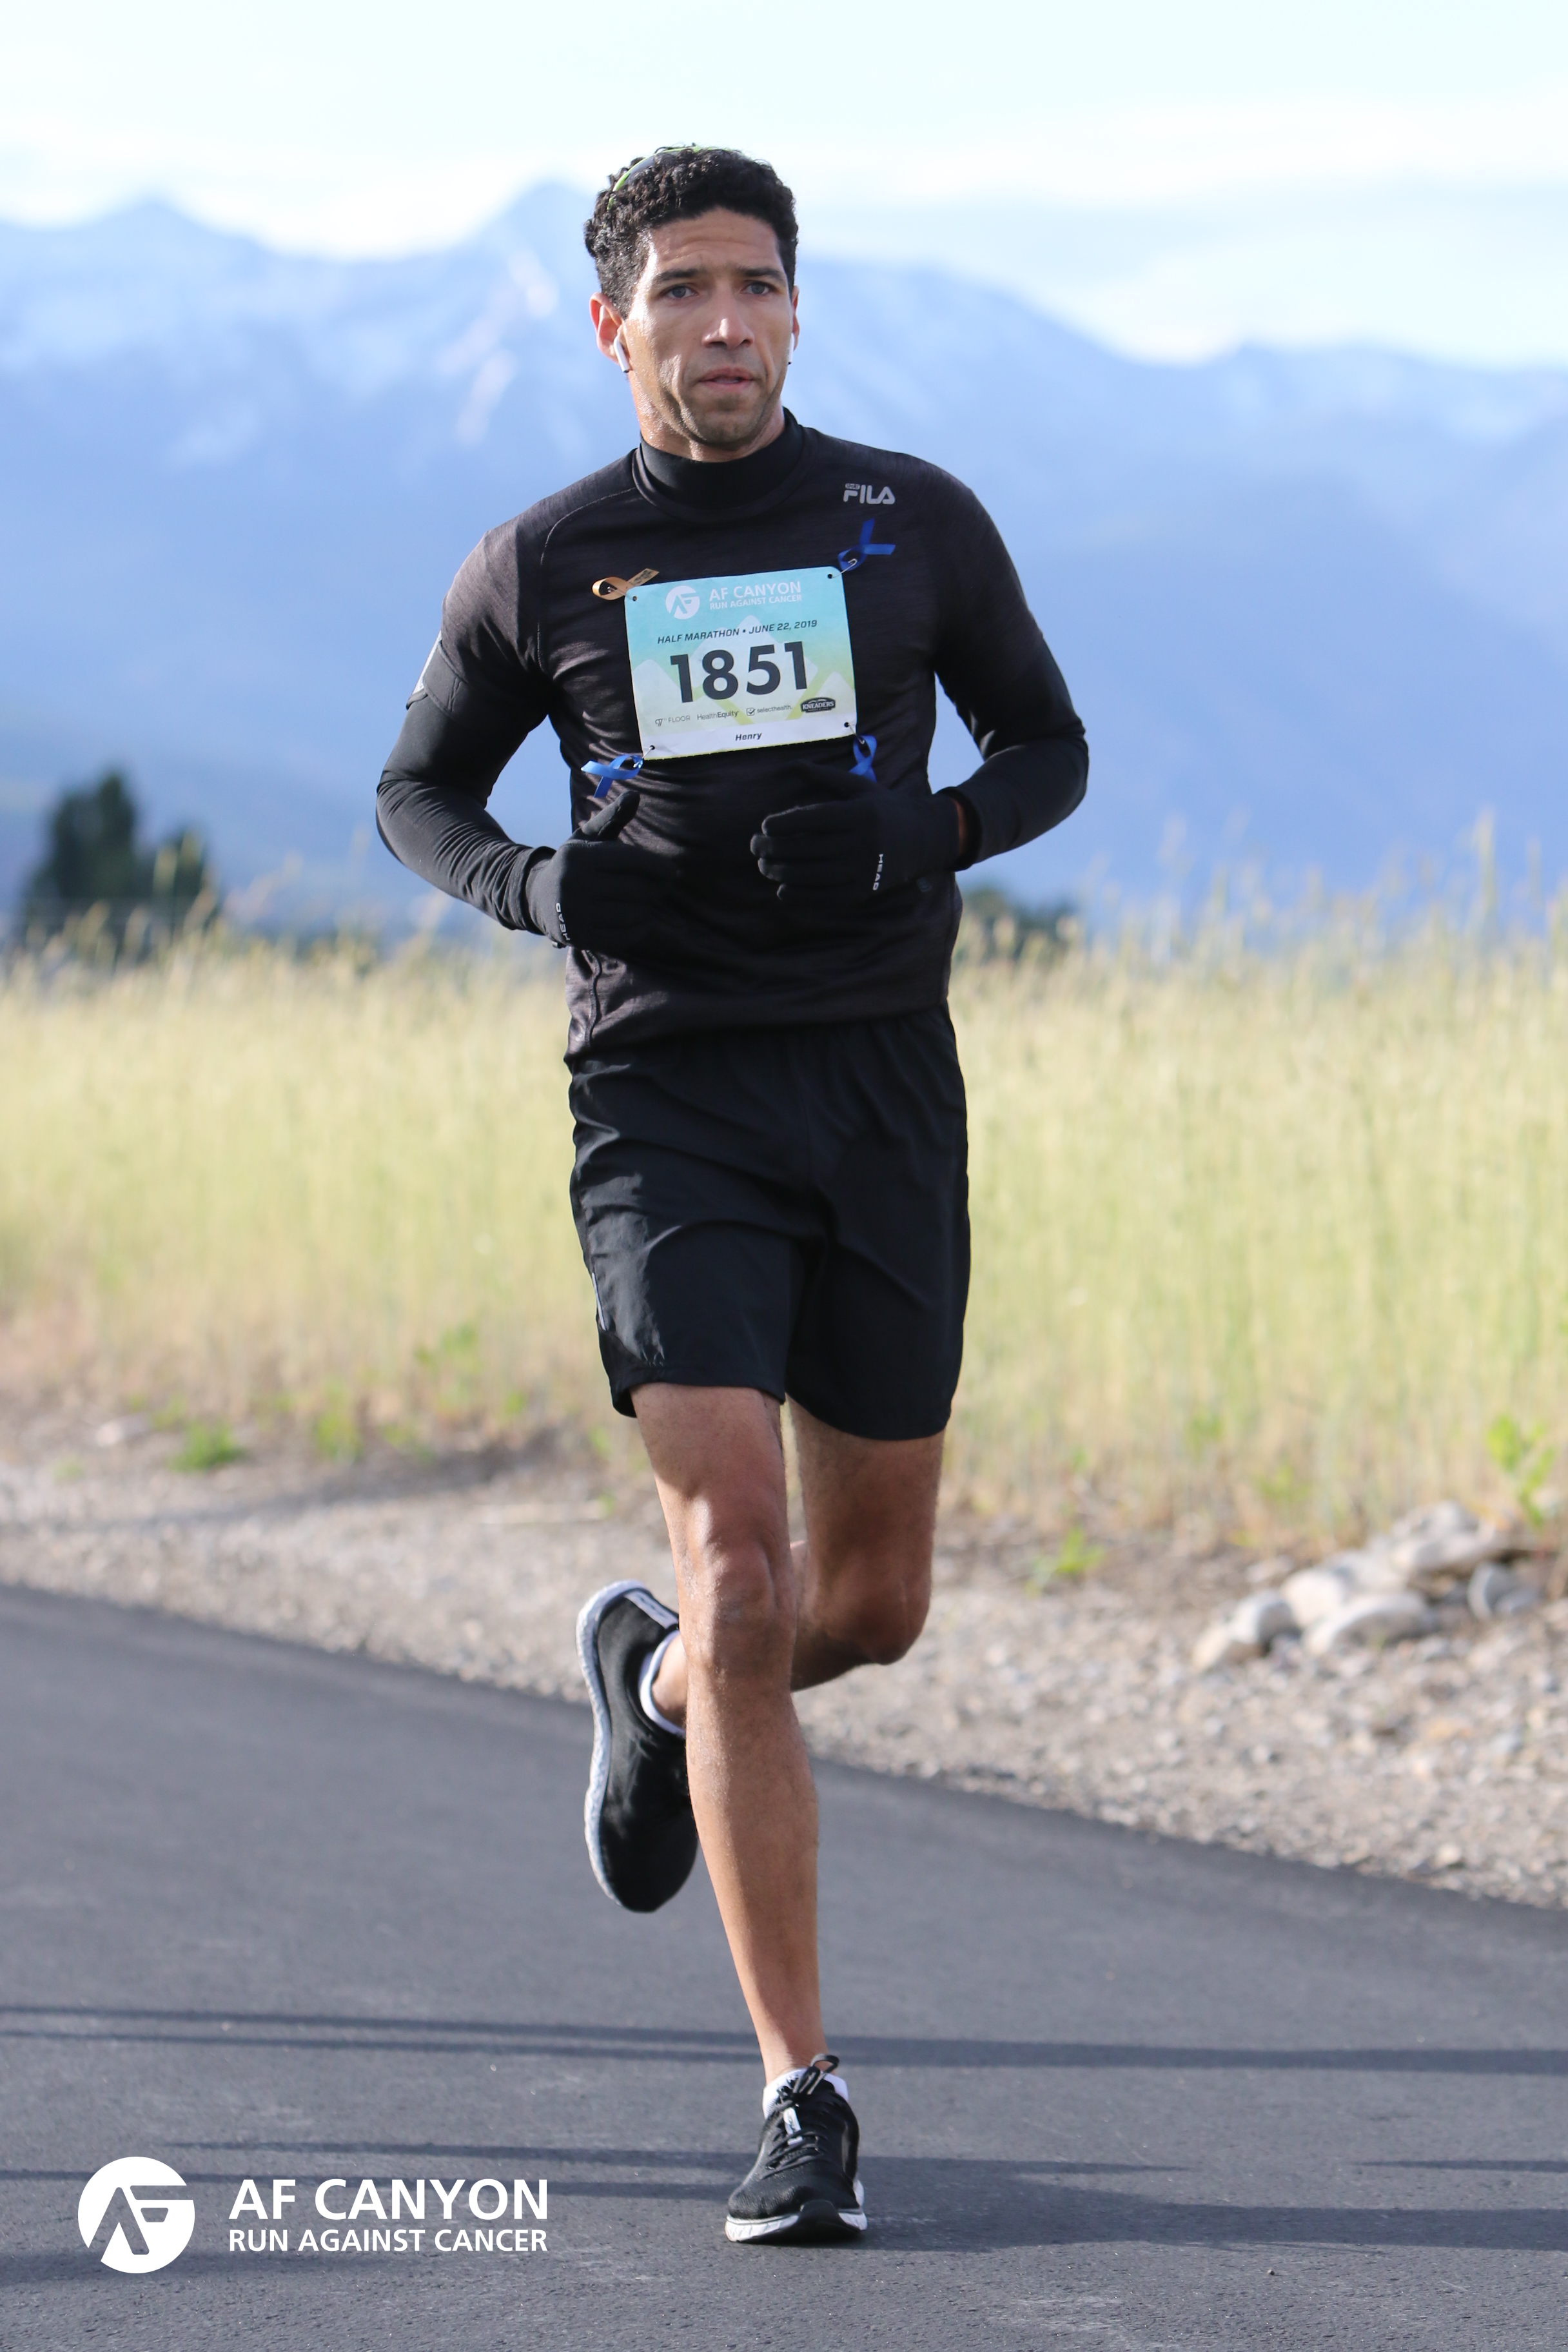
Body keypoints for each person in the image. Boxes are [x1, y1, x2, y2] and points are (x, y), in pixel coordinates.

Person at [377, 144, 1088, 2244]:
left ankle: (658, 1686)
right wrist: (537, 885)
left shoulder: (910, 519)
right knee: (749, 1573)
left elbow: (1049, 749)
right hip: (663, 1091)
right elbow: (416, 791)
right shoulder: (546, 559)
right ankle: (804, 2099)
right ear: (614, 326)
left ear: (797, 308)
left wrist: (925, 837)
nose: (723, 325)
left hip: (879, 1088)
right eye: (680, 291)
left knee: (866, 1610)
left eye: (755, 285)